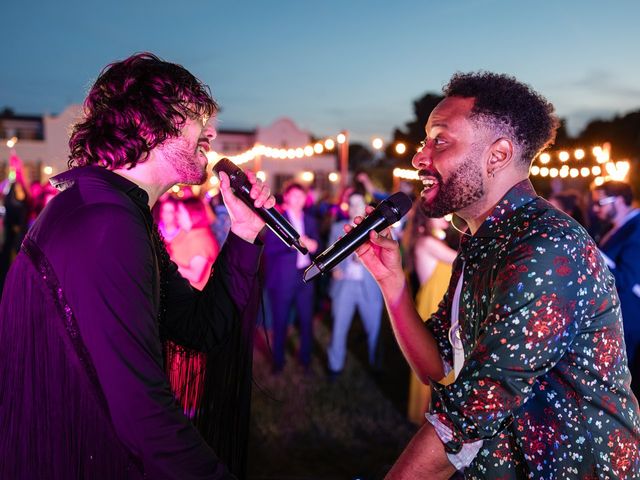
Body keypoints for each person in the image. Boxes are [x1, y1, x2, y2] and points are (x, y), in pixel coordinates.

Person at [0, 52, 275, 479]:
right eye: (197, 117)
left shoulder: (119, 212)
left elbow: (198, 325)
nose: (212, 132)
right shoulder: (104, 222)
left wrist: (242, 232)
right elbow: (141, 412)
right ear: (148, 125)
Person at [353, 72, 640, 478]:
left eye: (439, 140)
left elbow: (468, 416)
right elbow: (438, 366)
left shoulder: (545, 246)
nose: (420, 157)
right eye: (424, 141)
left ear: (498, 155)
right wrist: (391, 281)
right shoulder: (482, 242)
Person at [402, 205, 456, 424]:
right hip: (433, 307)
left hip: (440, 306)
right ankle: (427, 418)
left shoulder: (434, 241)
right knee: (435, 365)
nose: (447, 217)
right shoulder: (428, 243)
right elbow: (462, 260)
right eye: (442, 214)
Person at [263, 182, 320, 374]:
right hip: (282, 278)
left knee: (306, 320)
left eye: (301, 196)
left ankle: (305, 359)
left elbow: (316, 245)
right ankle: (278, 362)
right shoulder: (278, 220)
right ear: (286, 197)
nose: (298, 200)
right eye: (294, 196)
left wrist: (314, 245)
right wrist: (294, 244)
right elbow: (269, 249)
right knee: (280, 321)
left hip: (305, 276)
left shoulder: (311, 220)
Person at [591, 180, 640, 400]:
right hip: (611, 313)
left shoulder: (636, 228)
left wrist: (597, 258)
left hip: (628, 317)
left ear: (619, 201)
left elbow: (628, 278)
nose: (595, 208)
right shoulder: (611, 227)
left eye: (600, 202)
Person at [326, 191, 383, 378]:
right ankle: (335, 366)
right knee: (339, 327)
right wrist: (333, 269)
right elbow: (328, 255)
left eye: (359, 204)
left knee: (373, 328)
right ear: (348, 207)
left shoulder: (376, 229)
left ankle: (374, 363)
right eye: (352, 204)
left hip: (369, 286)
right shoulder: (337, 228)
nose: (355, 208)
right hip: (345, 285)